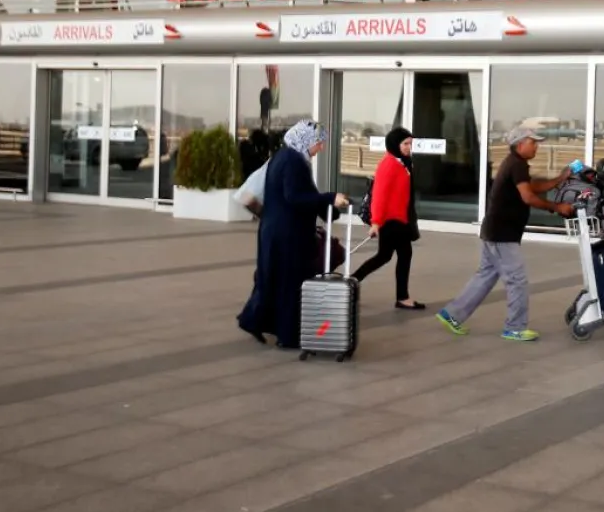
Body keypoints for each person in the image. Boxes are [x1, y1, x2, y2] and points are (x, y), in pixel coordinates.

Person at [437, 126, 573, 342]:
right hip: (502, 235)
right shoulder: (517, 164)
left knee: (485, 276)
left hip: (494, 231)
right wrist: (557, 208)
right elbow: (528, 196)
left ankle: (451, 314)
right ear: (520, 144)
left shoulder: (515, 163)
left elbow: (532, 187)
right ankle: (515, 328)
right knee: (517, 280)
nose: (536, 146)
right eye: (533, 142)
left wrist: (559, 180)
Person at [238, 120, 349, 349]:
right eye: (318, 142)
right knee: (290, 282)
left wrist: (329, 208)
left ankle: (254, 320)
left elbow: (303, 193)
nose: (321, 147)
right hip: (287, 234)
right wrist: (330, 198)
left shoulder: (284, 157)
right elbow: (294, 196)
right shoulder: (293, 161)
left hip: (276, 231)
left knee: (274, 278)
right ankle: (287, 336)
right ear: (305, 140)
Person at [352, 126, 423, 309]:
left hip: (400, 219)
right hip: (391, 221)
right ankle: (401, 297)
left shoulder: (402, 162)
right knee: (397, 255)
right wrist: (376, 222)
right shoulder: (389, 164)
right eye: (405, 143)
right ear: (395, 144)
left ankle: (352, 282)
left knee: (386, 256)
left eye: (410, 144)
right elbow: (379, 196)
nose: (409, 147)